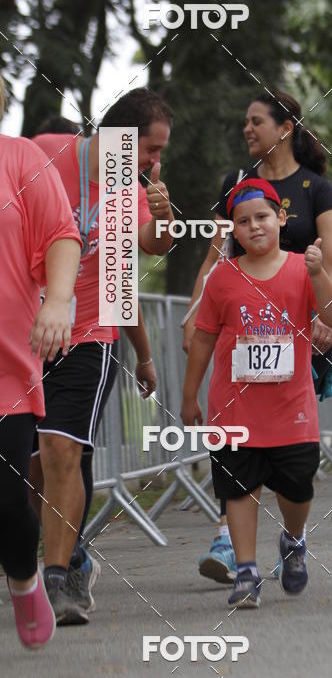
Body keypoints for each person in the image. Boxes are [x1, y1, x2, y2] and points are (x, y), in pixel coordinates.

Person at [183, 90, 332, 584]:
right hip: (240, 325)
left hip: (304, 319)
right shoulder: (235, 184)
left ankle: (289, 538)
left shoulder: (317, 188)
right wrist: (194, 315)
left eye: (257, 121)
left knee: (292, 456)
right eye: (245, 122)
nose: (247, 130)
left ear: (286, 127)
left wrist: (325, 307)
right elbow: (214, 258)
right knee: (243, 444)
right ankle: (236, 551)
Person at [28, 88, 174, 625]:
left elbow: (144, 256)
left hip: (89, 334)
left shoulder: (129, 187)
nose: (155, 163)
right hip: (25, 330)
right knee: (32, 466)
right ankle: (70, 556)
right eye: (151, 150)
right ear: (120, 137)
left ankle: (57, 580)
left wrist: (162, 217)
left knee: (63, 451)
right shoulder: (43, 152)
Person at [0, 75, 81, 647]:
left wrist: (56, 302)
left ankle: (25, 579)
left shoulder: (21, 157)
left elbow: (60, 234)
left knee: (8, 501)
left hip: (7, 365)